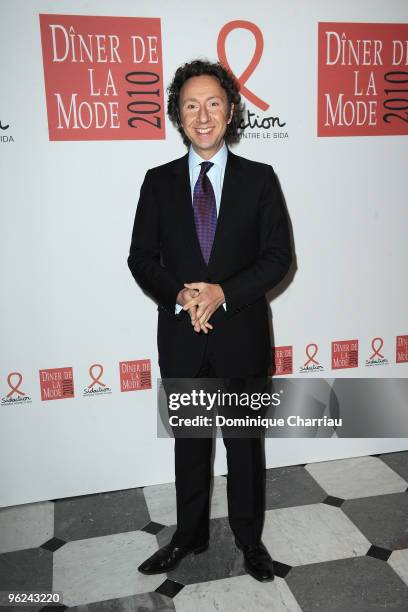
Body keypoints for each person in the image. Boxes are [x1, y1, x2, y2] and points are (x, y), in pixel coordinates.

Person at [127, 59, 292, 582]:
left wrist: (223, 293)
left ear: (231, 110)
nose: (203, 115)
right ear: (179, 114)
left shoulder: (260, 180)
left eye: (213, 103)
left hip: (241, 336)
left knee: (245, 449)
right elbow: (141, 258)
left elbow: (277, 257)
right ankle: (188, 537)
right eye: (191, 105)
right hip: (182, 337)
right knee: (190, 449)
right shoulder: (156, 183)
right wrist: (180, 294)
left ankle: (250, 541)